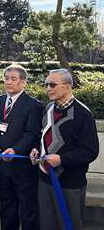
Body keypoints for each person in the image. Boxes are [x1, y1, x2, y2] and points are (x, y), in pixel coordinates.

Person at [30, 69, 99, 230]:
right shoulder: (47, 109)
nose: (48, 88)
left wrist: (62, 159)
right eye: (46, 84)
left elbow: (90, 151)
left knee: (69, 225)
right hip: (45, 180)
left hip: (70, 183)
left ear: (67, 86)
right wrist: (35, 150)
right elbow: (43, 136)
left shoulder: (83, 114)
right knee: (46, 224)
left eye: (52, 84)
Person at [0, 64, 43, 230]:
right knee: (7, 206)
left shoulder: (33, 105)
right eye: (6, 78)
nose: (9, 82)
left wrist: (16, 150)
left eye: (13, 79)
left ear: (23, 82)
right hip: (3, 165)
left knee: (28, 208)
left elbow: (31, 133)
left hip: (23, 167)